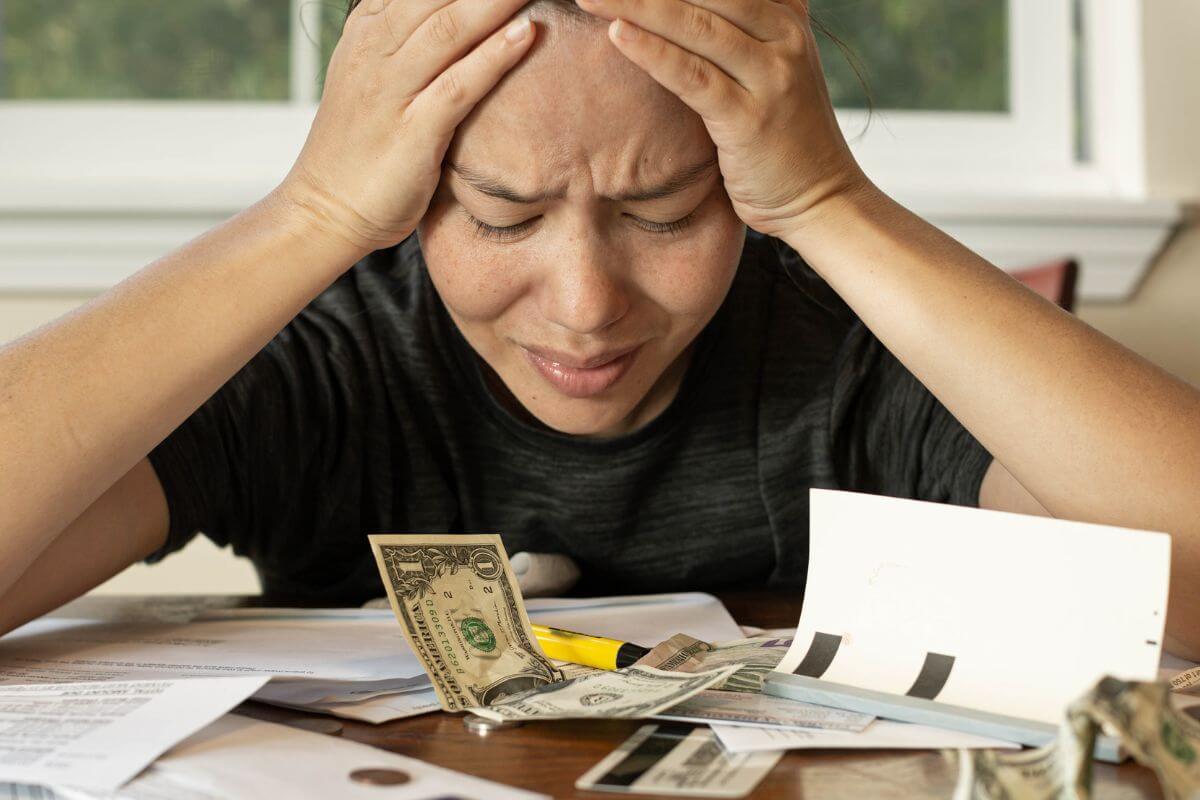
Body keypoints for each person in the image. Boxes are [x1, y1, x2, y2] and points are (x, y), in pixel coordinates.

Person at [1, 0, 1197, 657]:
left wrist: (834, 205)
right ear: (411, 199)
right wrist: (307, 215)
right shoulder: (328, 361)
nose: (586, 304)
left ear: (745, 181)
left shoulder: (842, 350)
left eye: (666, 211)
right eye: (503, 215)